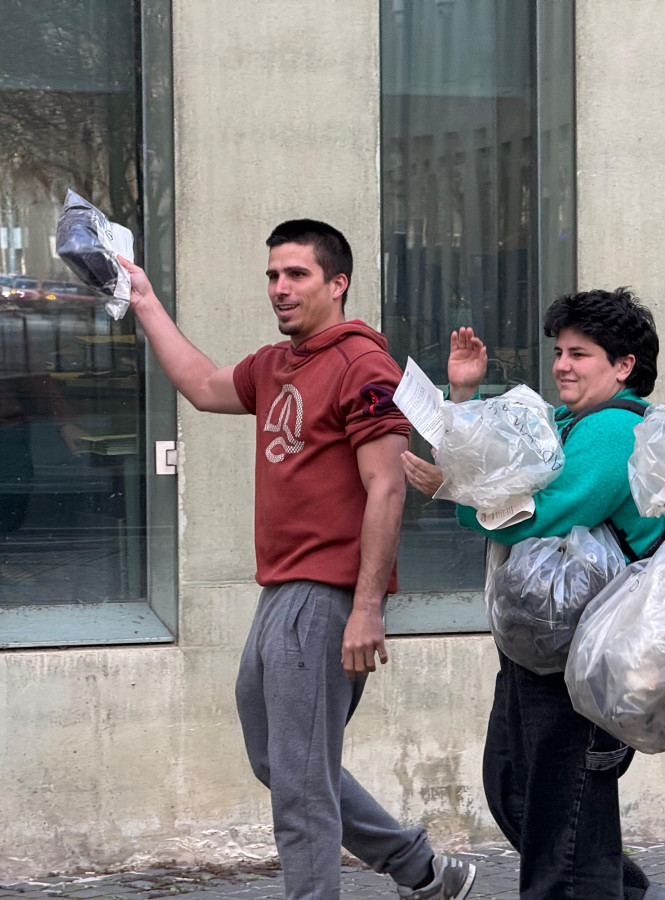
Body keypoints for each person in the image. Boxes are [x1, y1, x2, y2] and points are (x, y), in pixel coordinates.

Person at [117, 220, 475, 900]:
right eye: (273, 276)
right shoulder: (277, 364)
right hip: (279, 592)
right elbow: (200, 383)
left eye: (297, 275)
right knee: (279, 762)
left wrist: (366, 608)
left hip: (325, 595)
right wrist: (143, 298)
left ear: (336, 284)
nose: (281, 289)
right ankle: (420, 868)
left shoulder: (362, 366)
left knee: (302, 794)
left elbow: (389, 483)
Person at [402, 289, 665, 900]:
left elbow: (545, 514)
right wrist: (464, 395)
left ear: (623, 366)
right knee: (518, 793)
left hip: (583, 656)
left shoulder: (612, 431)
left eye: (580, 354)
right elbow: (490, 461)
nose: (562, 365)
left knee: (564, 825)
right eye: (559, 352)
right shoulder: (565, 422)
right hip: (543, 648)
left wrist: (455, 497)